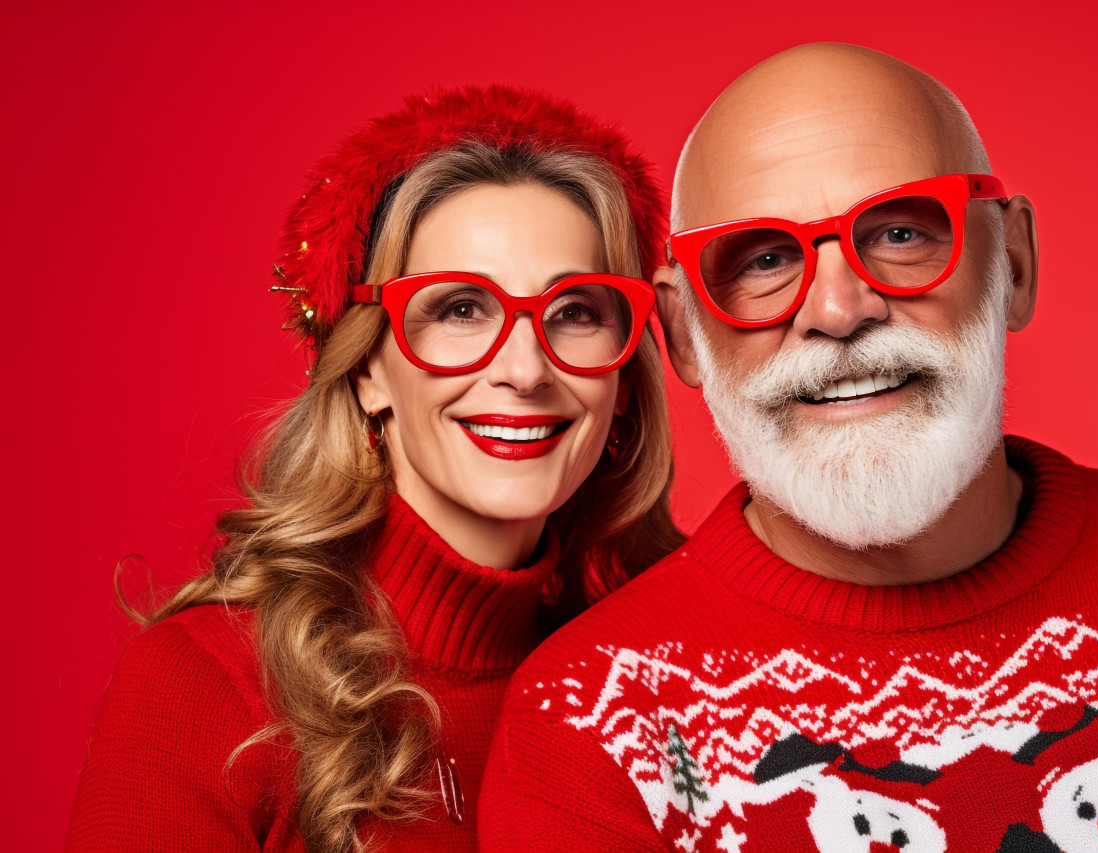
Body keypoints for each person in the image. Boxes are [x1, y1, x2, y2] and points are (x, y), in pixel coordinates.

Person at [479, 45, 1098, 852]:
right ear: (684, 333)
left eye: (900, 233)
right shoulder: (587, 734)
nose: (838, 309)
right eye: (765, 260)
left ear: (1013, 266)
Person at [65, 85, 681, 853]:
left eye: (576, 312)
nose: (526, 370)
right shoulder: (206, 682)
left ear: (622, 381)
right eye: (460, 309)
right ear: (366, 369)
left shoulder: (649, 681)